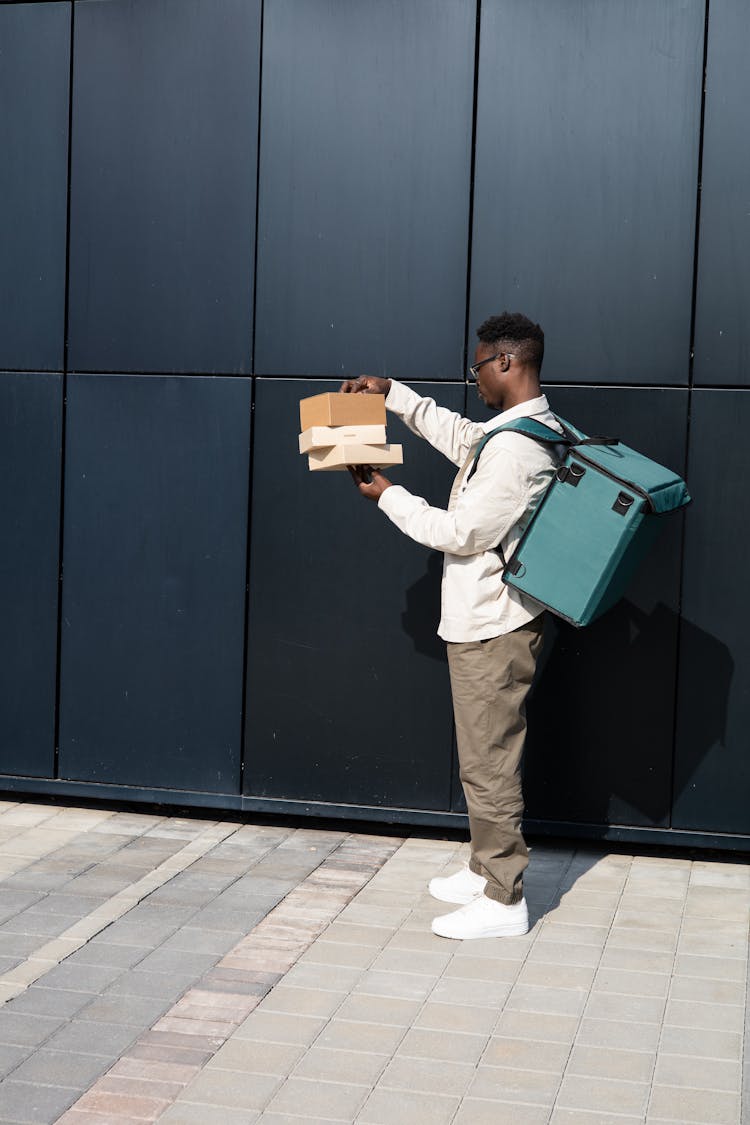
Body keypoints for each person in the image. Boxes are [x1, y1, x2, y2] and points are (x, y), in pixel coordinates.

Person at [341, 312, 562, 940]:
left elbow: (462, 534)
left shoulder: (517, 448)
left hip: (493, 627)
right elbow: (465, 436)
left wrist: (388, 495)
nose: (475, 380)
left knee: (489, 762)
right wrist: (394, 395)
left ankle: (504, 898)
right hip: (487, 621)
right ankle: (483, 866)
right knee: (480, 757)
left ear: (506, 364)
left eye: (478, 367)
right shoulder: (514, 431)